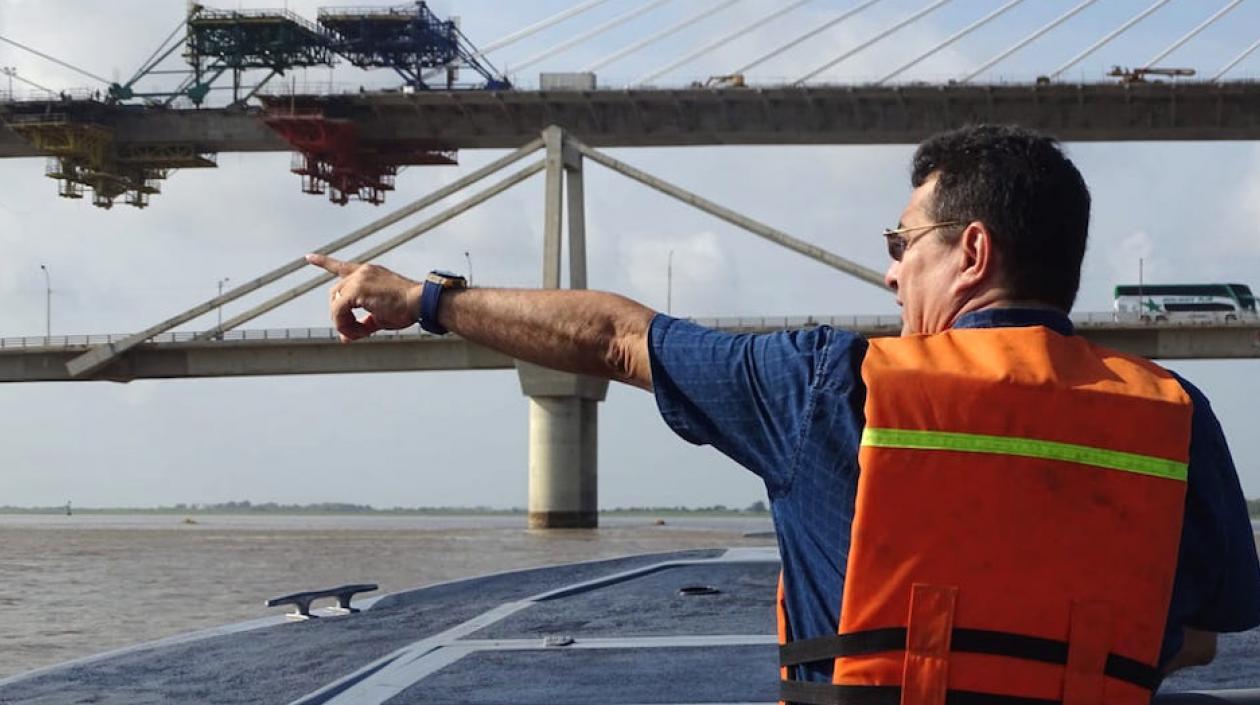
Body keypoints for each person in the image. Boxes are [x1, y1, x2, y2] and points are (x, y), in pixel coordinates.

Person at [306, 124, 1260, 704]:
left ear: (971, 253)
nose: (889, 268)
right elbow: (1202, 633)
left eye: (900, 241)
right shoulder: (1175, 415)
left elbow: (614, 338)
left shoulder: (834, 387)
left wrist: (423, 300)